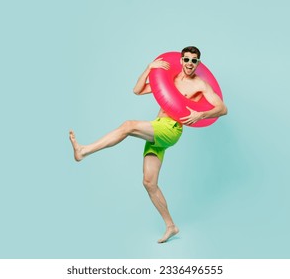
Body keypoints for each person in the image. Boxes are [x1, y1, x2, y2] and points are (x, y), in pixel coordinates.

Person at [69, 46, 227, 243]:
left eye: (194, 61)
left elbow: (222, 108)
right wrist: (148, 68)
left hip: (171, 129)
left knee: (128, 126)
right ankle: (171, 225)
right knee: (149, 183)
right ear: (181, 60)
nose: (189, 64)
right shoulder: (171, 79)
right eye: (186, 59)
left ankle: (84, 150)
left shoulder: (200, 85)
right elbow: (137, 90)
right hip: (158, 127)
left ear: (198, 63)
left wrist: (200, 114)